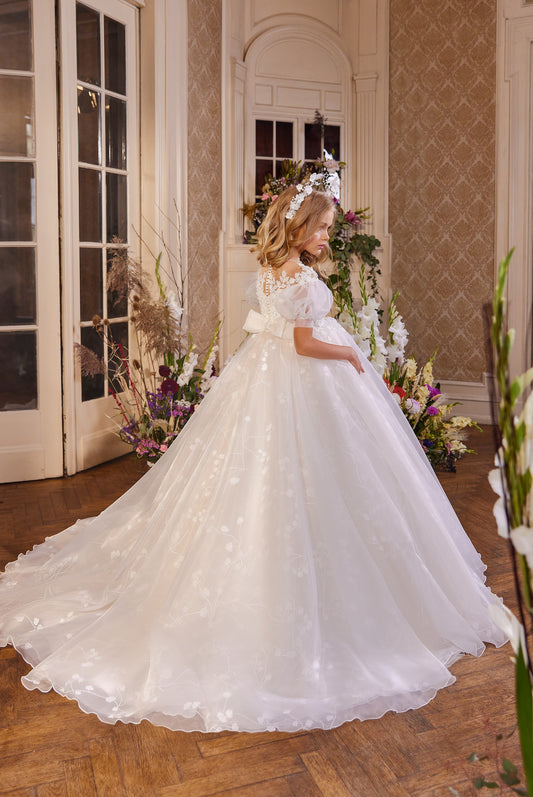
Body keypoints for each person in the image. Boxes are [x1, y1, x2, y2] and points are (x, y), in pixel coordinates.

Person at [0, 182, 507, 734]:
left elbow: (275, 328)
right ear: (298, 227)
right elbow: (305, 344)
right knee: (317, 477)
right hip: (306, 379)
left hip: (264, 377)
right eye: (321, 227)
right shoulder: (298, 277)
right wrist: (349, 353)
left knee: (257, 474)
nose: (327, 236)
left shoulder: (271, 270)